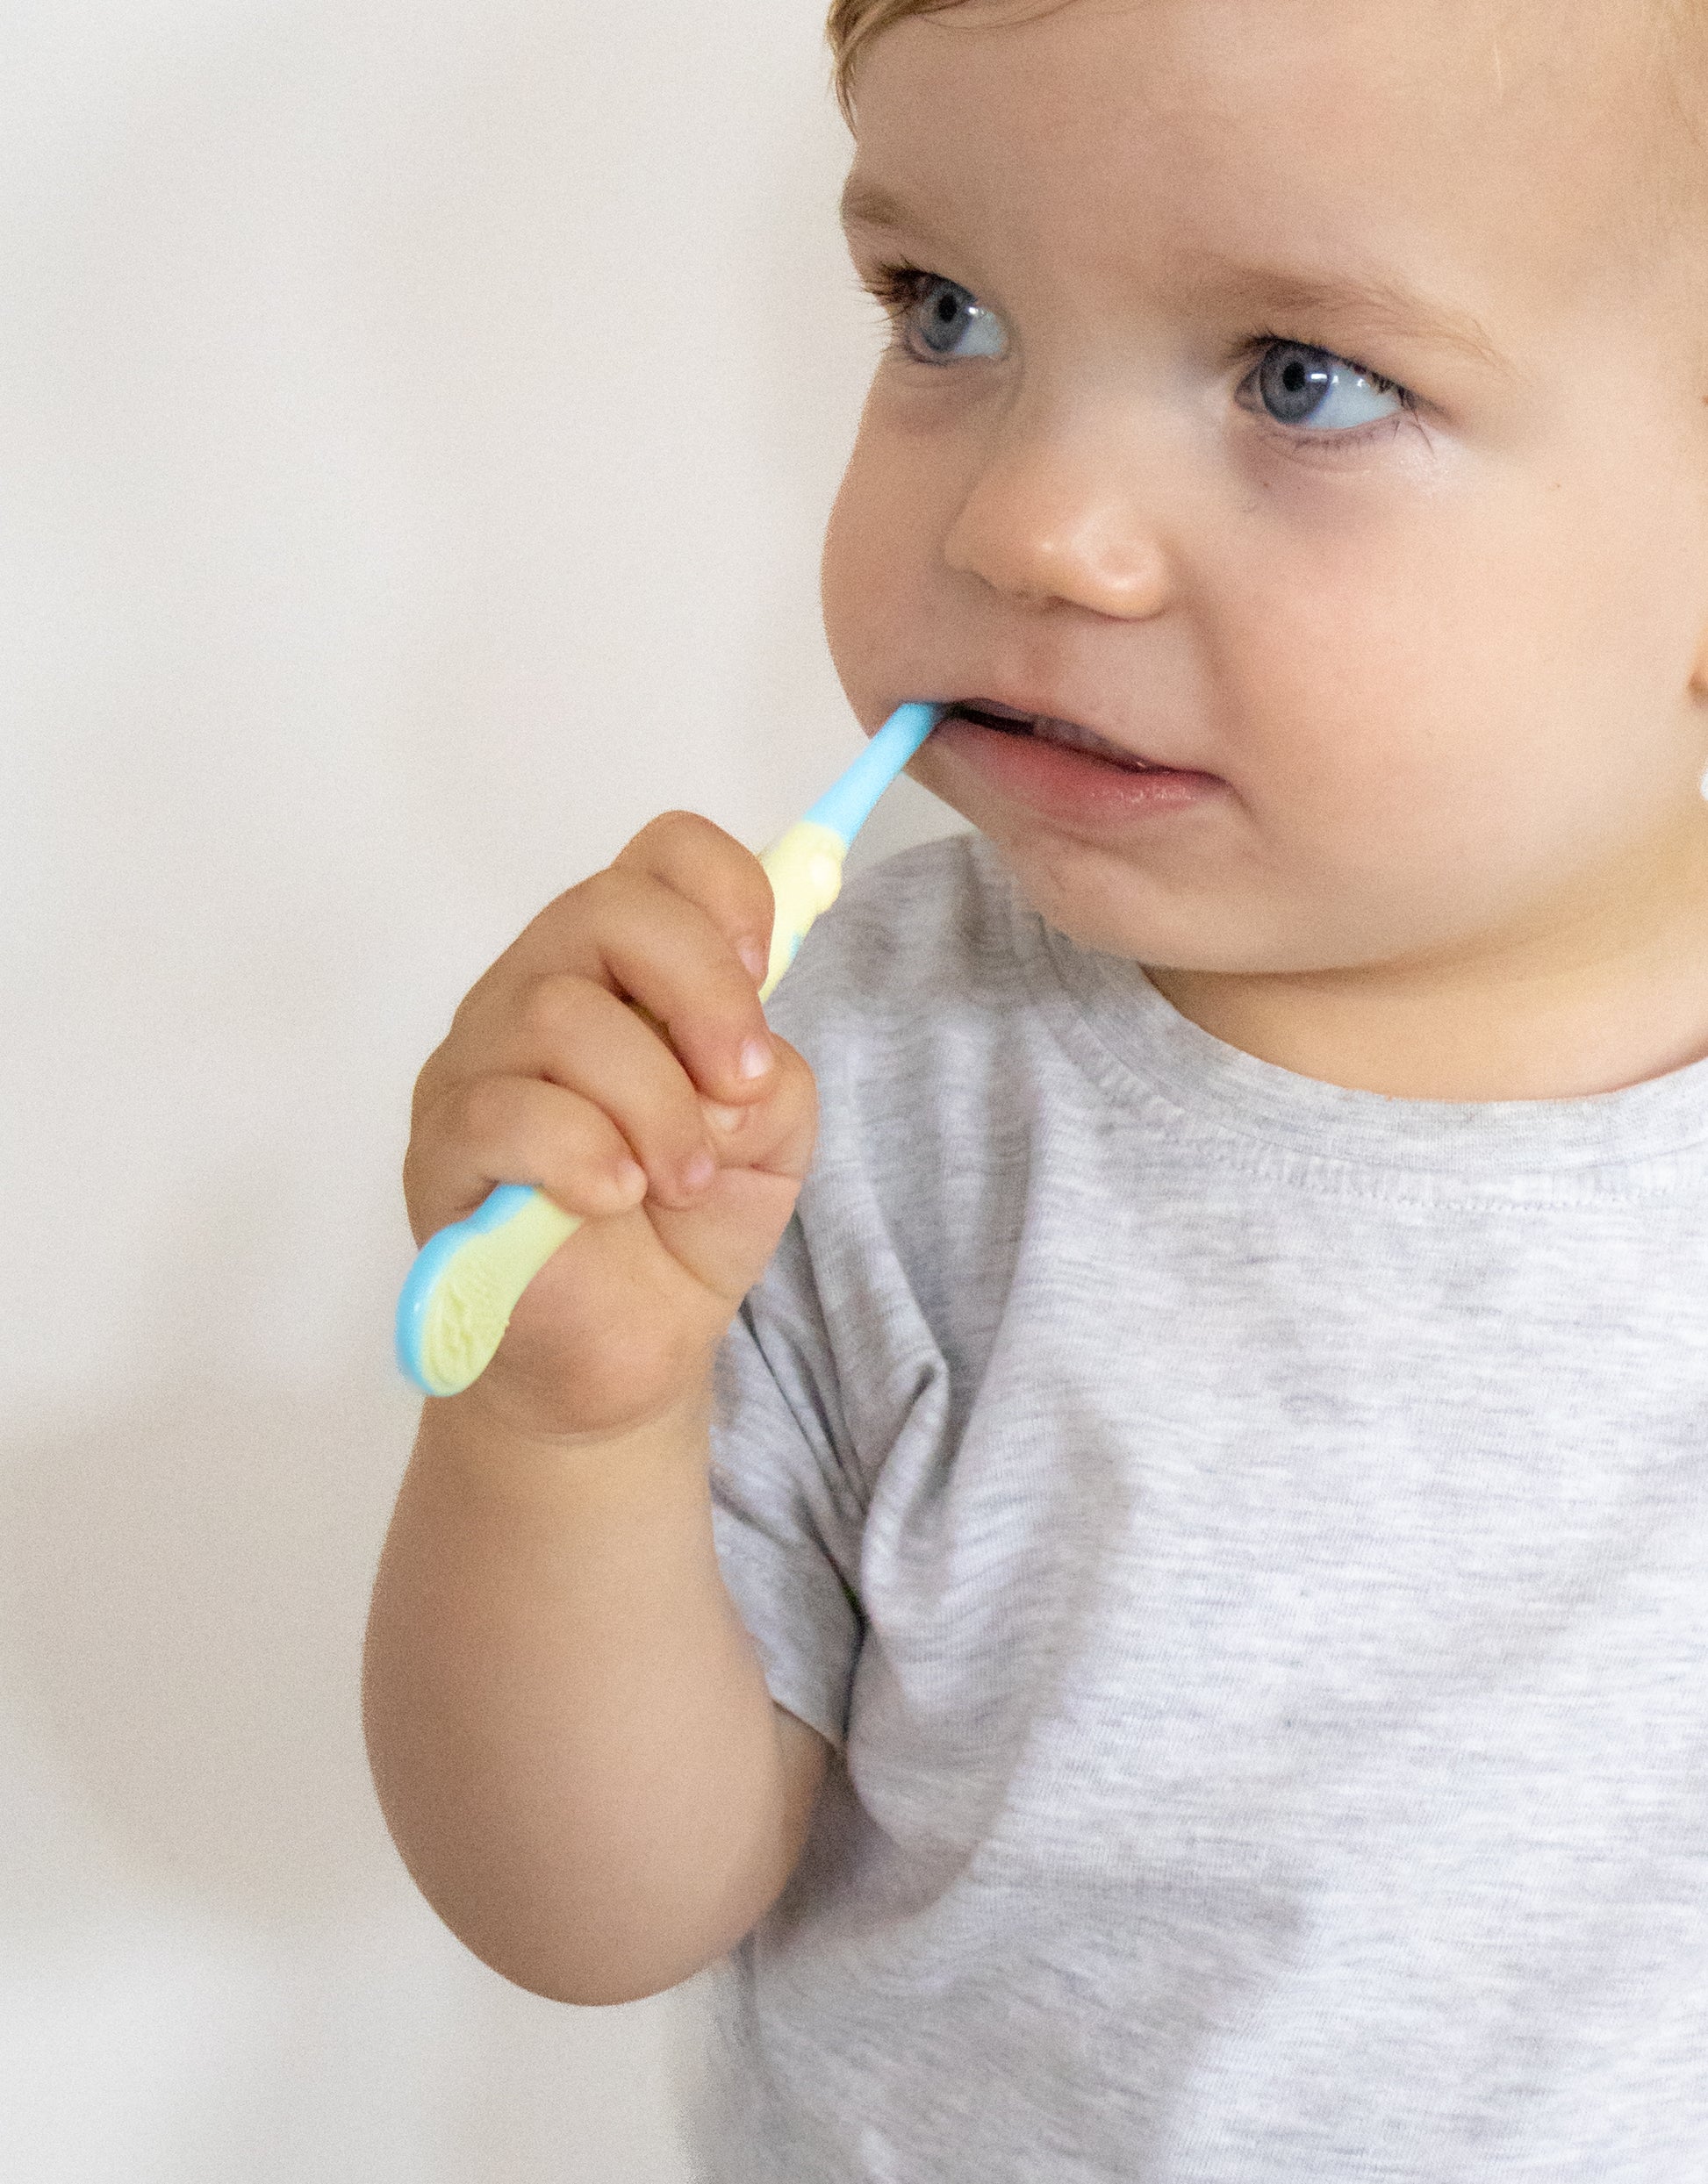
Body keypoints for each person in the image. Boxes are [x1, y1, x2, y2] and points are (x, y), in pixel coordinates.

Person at [362, 1, 1708, 2173]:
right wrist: (561, 1434)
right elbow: (585, 1915)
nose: (1029, 526)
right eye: (946, 311)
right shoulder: (812, 1102)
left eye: (1304, 377)